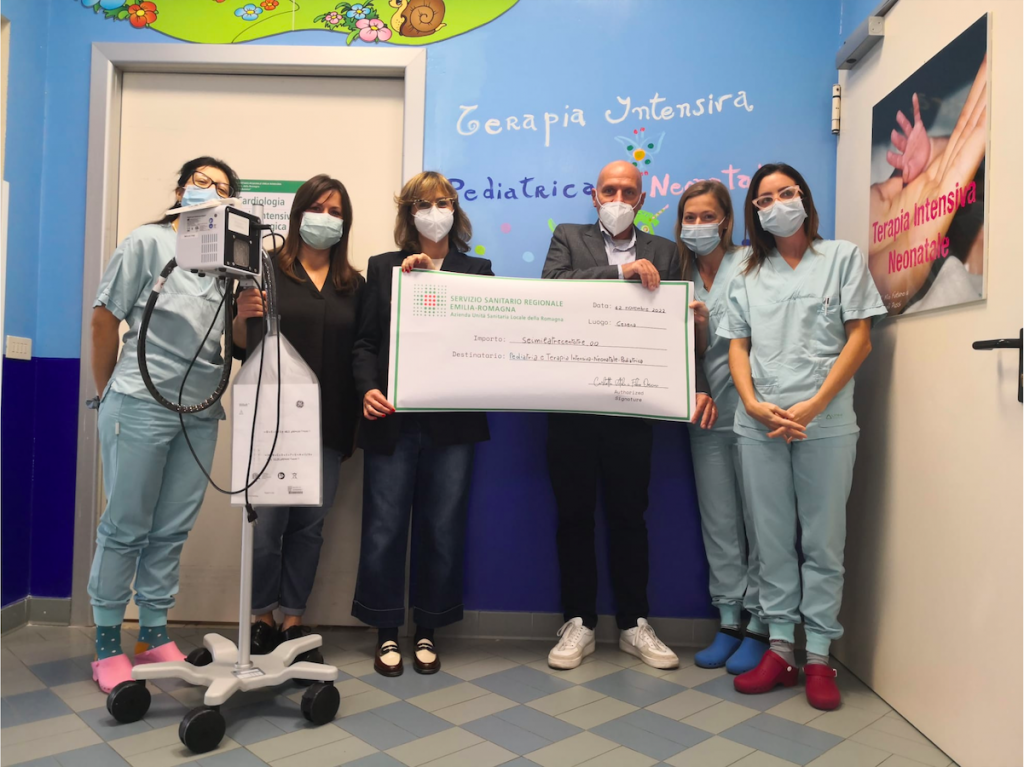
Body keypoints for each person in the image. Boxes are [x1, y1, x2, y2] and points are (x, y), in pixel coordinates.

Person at [718, 163, 886, 711]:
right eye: (764, 199)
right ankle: (780, 650)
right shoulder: (747, 271)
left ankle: (818, 657)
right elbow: (737, 344)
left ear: (805, 198)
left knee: (822, 544)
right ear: (755, 212)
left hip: (825, 423)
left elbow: (859, 338)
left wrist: (815, 405)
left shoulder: (841, 258)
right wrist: (750, 402)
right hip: (760, 423)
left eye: (785, 193)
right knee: (770, 545)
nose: (776, 205)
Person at [541, 160, 712, 671]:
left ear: (641, 199)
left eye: (628, 191)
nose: (618, 198)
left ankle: (634, 622)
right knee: (573, 515)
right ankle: (579, 622)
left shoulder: (665, 251)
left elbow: (679, 330)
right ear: (594, 195)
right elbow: (553, 287)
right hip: (572, 403)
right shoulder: (567, 236)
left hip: (634, 406)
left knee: (629, 516)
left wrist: (698, 385)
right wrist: (621, 272)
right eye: (609, 190)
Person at [88, 157, 240, 693]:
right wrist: (109, 393)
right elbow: (104, 319)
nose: (211, 192)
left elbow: (231, 339)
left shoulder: (228, 266)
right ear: (180, 191)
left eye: (223, 188)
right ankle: (108, 642)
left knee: (172, 528)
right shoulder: (147, 242)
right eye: (202, 182)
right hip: (139, 400)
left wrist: (250, 310)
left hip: (199, 410)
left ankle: (153, 633)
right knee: (125, 525)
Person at [351, 171, 491, 676]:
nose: (434, 212)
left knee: (443, 527)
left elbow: (486, 338)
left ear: (456, 209)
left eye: (443, 202)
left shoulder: (478, 271)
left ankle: (428, 628)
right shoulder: (383, 267)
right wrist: (366, 388)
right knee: (384, 527)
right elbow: (365, 342)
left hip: (453, 424)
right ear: (408, 213)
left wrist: (433, 281)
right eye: (423, 204)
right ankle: (386, 630)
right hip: (392, 418)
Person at [233, 175, 364, 655]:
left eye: (336, 212)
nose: (326, 218)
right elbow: (240, 347)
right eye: (318, 208)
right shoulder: (263, 269)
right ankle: (262, 616)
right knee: (267, 527)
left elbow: (363, 351)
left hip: (329, 423)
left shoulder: (354, 284)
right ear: (297, 213)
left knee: (310, 526)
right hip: (272, 423)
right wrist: (242, 314)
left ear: (345, 223)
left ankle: (293, 619)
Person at [677, 180, 768, 674]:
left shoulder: (754, 263)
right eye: (689, 218)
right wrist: (695, 327)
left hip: (755, 410)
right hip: (705, 411)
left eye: (707, 216)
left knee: (762, 520)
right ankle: (729, 620)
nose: (697, 226)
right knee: (719, 520)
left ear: (727, 221)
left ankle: (761, 623)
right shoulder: (678, 274)